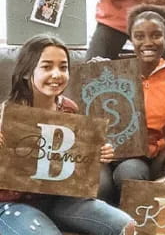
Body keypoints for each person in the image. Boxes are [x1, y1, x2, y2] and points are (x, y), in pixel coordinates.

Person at [0, 34, 135, 235]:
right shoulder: (6, 115)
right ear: (28, 72)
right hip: (12, 204)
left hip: (60, 199)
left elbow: (74, 166)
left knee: (126, 226)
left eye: (63, 67)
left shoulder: (69, 109)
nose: (57, 74)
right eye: (47, 67)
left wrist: (96, 154)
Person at [99, 4, 165, 204]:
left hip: (141, 156)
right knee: (100, 184)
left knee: (130, 173)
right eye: (139, 36)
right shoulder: (112, 75)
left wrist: (155, 146)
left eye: (156, 35)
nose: (148, 42)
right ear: (131, 39)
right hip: (105, 154)